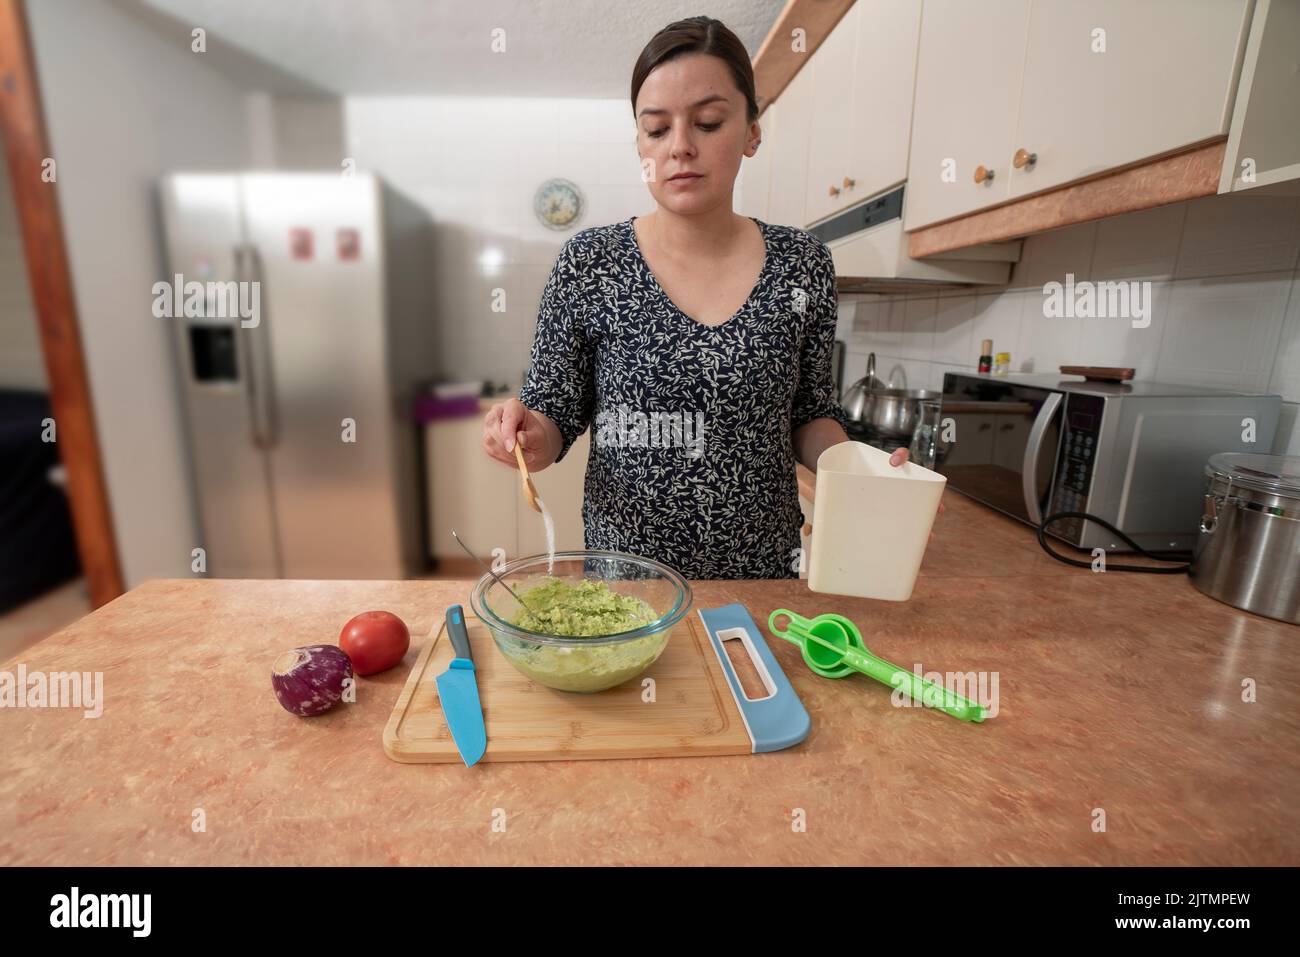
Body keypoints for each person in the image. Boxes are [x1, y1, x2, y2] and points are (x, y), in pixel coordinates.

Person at [484, 15, 936, 578]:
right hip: (628, 586)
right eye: (656, 130)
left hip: (765, 576)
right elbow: (553, 416)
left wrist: (859, 471)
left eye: (708, 121)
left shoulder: (803, 264)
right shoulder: (589, 263)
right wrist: (526, 436)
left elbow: (811, 413)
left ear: (751, 131)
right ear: (640, 145)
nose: (680, 148)